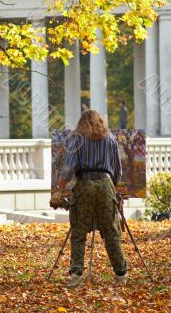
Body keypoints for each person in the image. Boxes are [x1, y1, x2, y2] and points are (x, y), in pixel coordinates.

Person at [50, 110, 127, 288]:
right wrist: (110, 186)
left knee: (78, 232)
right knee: (111, 232)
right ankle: (121, 273)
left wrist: (59, 192)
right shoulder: (111, 139)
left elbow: (68, 169)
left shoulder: (76, 139)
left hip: (84, 185)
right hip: (106, 186)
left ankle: (76, 274)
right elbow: (118, 171)